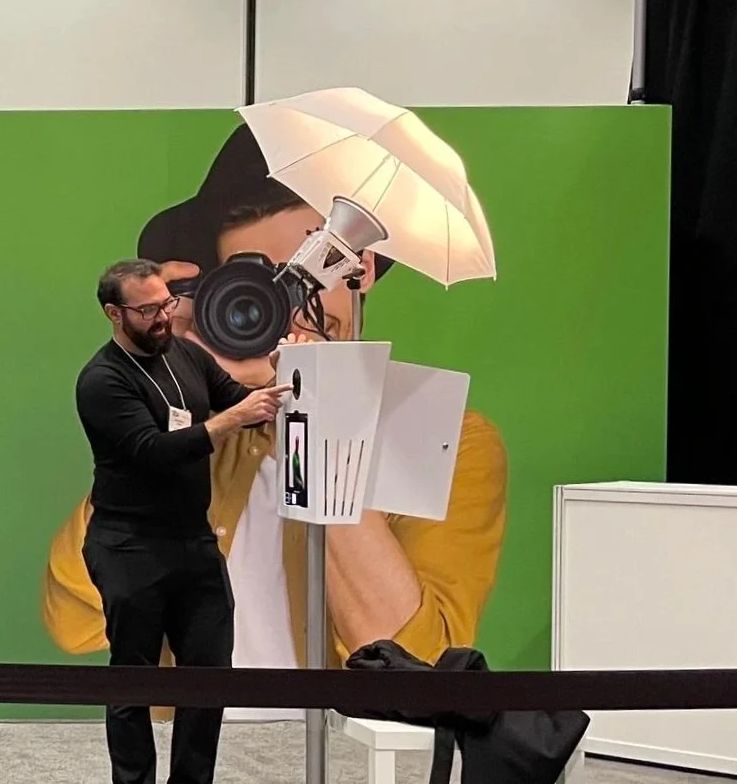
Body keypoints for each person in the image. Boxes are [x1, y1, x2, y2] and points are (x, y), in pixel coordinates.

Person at [45, 127, 508, 691]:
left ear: (360, 269)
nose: (286, 304)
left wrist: (318, 413)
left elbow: (417, 665)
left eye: (306, 273)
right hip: (195, 743)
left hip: (343, 755)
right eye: (258, 283)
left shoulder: (445, 434)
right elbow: (77, 615)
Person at [76, 261, 288, 784]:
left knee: (207, 673)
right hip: (127, 543)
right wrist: (231, 420)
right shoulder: (102, 380)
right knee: (134, 677)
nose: (162, 317)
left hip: (193, 541)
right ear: (114, 314)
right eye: (147, 310)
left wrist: (287, 372)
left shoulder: (188, 358)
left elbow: (241, 400)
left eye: (167, 304)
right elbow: (152, 451)